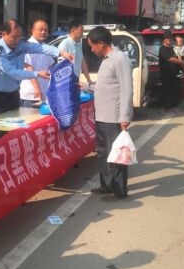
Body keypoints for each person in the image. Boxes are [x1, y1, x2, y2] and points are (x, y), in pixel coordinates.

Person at [86, 26, 133, 201]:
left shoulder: (120, 59)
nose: (92, 49)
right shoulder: (106, 60)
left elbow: (127, 89)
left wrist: (125, 116)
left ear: (101, 43)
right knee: (103, 152)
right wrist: (85, 86)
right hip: (101, 116)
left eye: (92, 46)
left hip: (114, 117)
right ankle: (106, 185)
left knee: (117, 155)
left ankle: (119, 190)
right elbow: (104, 85)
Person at [0, 18, 74, 115]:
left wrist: (60, 52)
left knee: (17, 122)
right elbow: (14, 73)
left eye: (19, 37)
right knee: (1, 123)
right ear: (4, 34)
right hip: (0, 96)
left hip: (14, 93)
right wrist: (37, 74)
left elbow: (39, 48)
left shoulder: (20, 44)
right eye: (14, 37)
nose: (17, 40)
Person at [19, 19, 53, 107]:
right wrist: (37, 88)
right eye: (40, 30)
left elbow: (51, 68)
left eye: (45, 30)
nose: (43, 32)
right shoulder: (27, 46)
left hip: (45, 94)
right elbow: (29, 69)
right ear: (33, 30)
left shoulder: (46, 47)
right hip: (32, 94)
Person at [57, 20, 93, 85]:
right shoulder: (64, 44)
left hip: (76, 79)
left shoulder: (78, 44)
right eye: (81, 30)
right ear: (73, 30)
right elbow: (61, 65)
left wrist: (89, 79)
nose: (83, 32)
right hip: (66, 81)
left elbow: (82, 62)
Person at [158, 30, 184, 113]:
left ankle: (174, 106)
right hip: (166, 74)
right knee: (165, 91)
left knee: (175, 90)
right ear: (164, 39)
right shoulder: (162, 49)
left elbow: (180, 56)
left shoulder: (173, 48)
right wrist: (180, 62)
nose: (168, 40)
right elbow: (170, 59)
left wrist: (181, 59)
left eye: (169, 38)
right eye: (167, 38)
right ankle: (163, 108)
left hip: (176, 73)